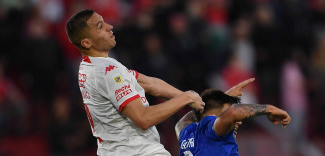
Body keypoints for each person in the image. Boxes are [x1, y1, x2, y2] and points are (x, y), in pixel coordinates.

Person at [65, 9, 206, 156]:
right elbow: (143, 118)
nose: (110, 26)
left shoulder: (90, 66)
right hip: (138, 151)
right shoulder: (107, 71)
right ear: (87, 42)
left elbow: (150, 84)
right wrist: (185, 98)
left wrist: (193, 98)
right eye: (100, 26)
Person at [175, 88, 291, 156]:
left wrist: (202, 105)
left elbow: (180, 123)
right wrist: (270, 109)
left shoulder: (186, 133)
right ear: (213, 117)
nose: (237, 122)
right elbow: (233, 114)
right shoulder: (211, 128)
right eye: (224, 114)